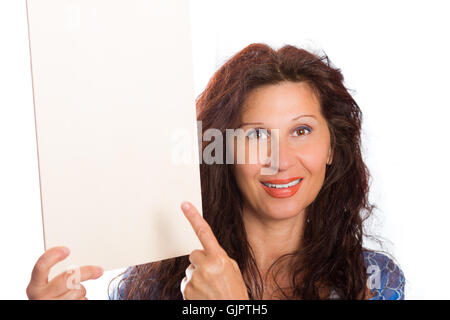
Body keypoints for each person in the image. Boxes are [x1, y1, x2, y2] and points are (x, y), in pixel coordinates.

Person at [26, 43, 405, 300]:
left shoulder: (374, 281)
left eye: (301, 131)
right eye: (256, 134)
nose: (281, 160)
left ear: (332, 148)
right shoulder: (152, 286)